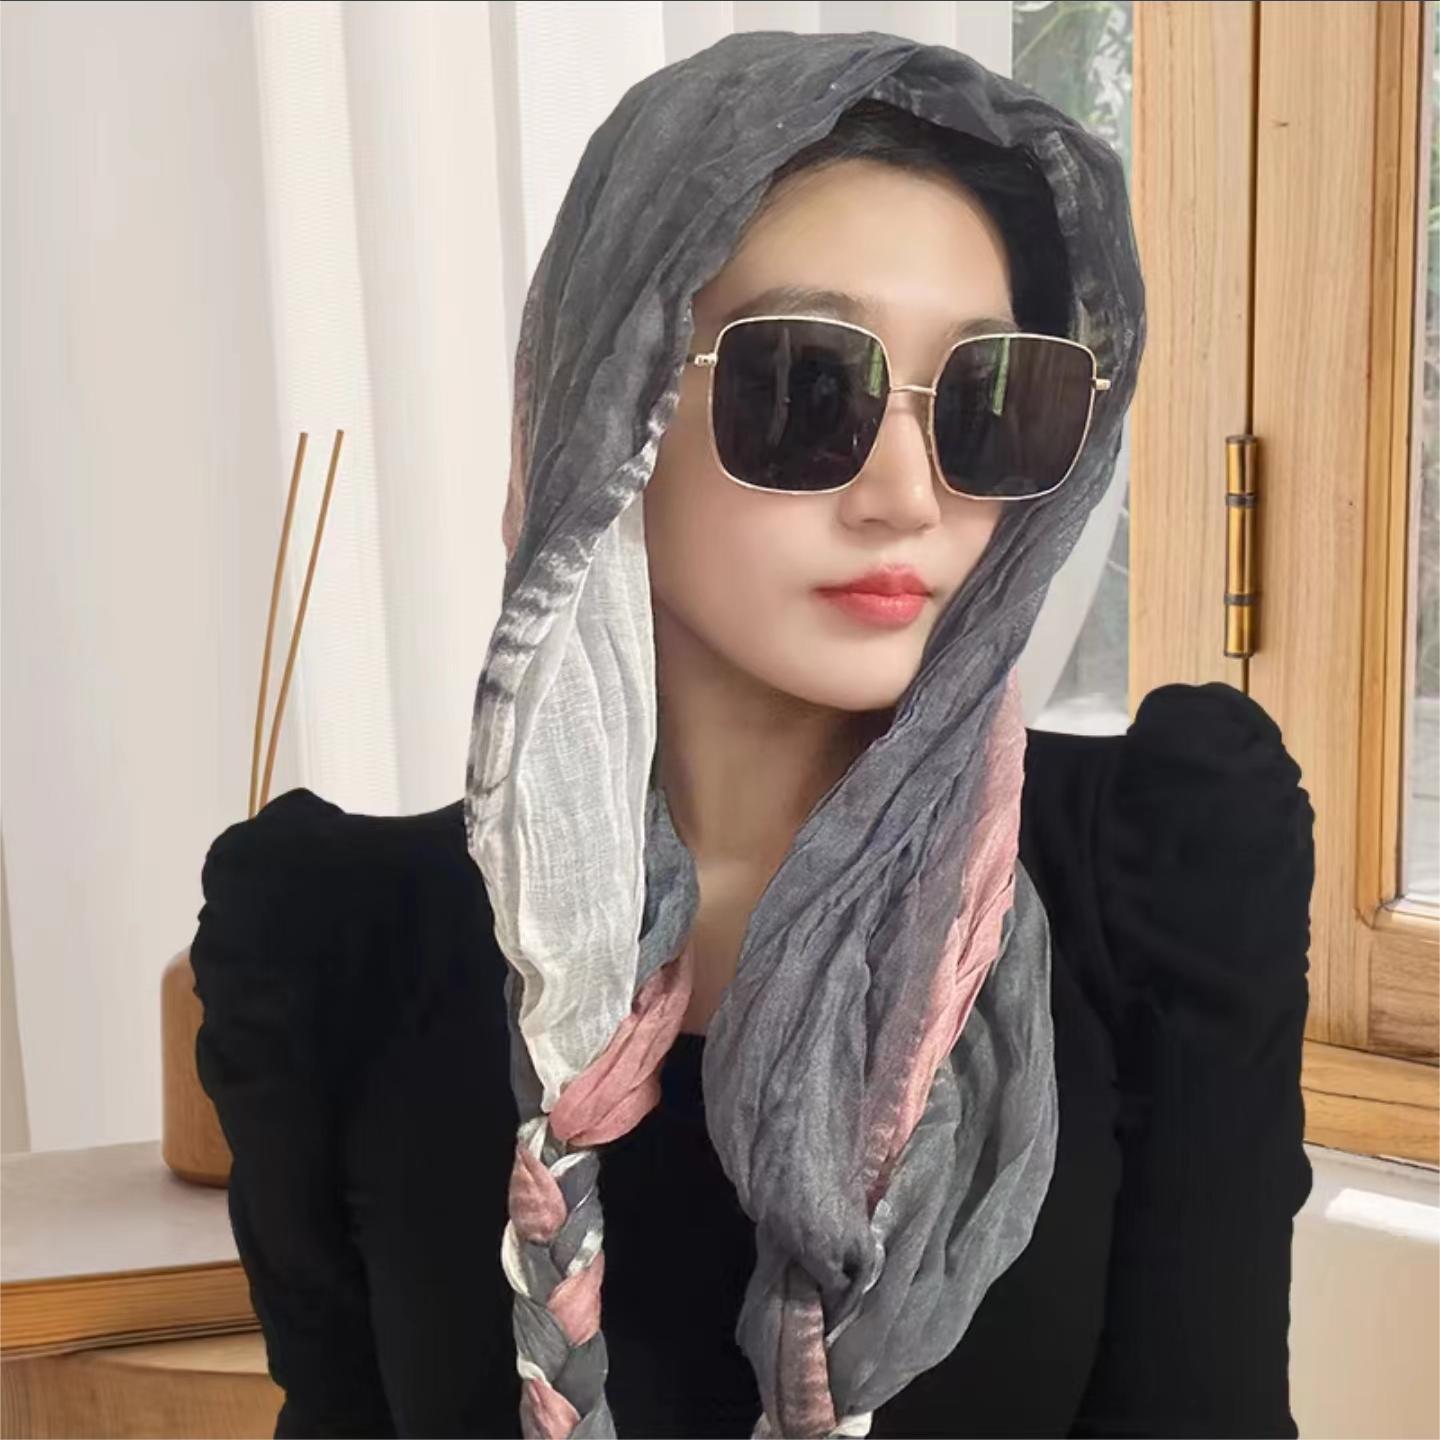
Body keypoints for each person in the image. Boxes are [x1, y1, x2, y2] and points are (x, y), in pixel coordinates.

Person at [190, 30, 1316, 1440]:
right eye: (807, 387)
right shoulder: (337, 944)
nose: (908, 494)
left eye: (989, 400)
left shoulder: (1154, 884)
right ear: (606, 413)